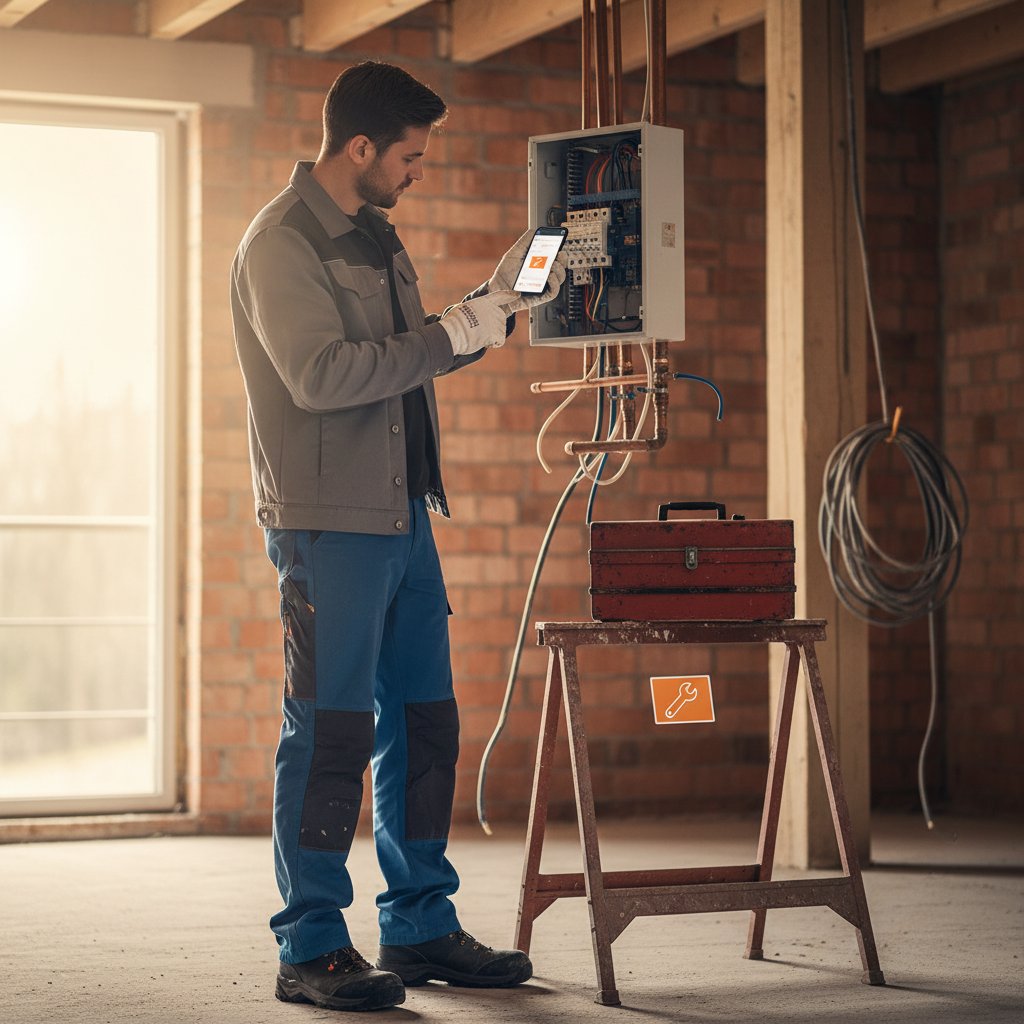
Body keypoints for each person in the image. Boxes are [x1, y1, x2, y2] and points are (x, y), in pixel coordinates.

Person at [229, 60, 566, 1013]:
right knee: (331, 731)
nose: (418, 172)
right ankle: (310, 945)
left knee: (424, 723)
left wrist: (490, 311)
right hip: (327, 526)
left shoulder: (377, 237)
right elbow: (323, 375)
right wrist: (452, 332)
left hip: (403, 515)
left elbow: (402, 360)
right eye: (410, 157)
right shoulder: (280, 243)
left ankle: (418, 923)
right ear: (360, 147)